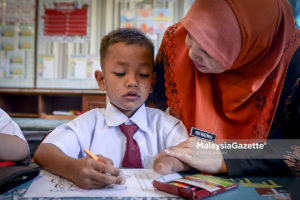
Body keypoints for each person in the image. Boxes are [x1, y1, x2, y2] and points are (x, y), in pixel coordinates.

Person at [150, 0, 300, 177]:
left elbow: (296, 148)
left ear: (252, 45)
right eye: (190, 36)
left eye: (208, 50)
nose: (190, 54)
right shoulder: (176, 41)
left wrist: (226, 157)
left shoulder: (293, 65)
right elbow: (145, 111)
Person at [33, 28, 190, 189]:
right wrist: (73, 169)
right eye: (121, 73)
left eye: (143, 74)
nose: (132, 82)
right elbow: (44, 152)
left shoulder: (168, 126)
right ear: (101, 80)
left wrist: (171, 162)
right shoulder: (87, 124)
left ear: (152, 82)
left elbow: (189, 155)